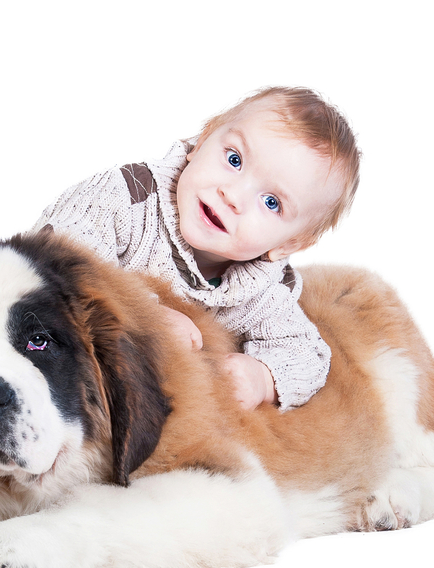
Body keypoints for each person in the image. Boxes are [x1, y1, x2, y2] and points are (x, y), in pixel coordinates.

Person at [31, 87, 360, 411]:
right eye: (234, 159)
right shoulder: (129, 199)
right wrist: (148, 315)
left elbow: (308, 354)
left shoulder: (264, 291)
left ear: (289, 243)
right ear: (202, 142)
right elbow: (58, 252)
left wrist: (263, 379)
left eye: (270, 202)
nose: (231, 196)